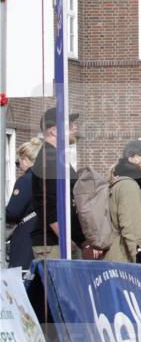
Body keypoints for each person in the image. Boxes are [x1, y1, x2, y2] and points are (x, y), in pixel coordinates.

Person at [31, 108, 87, 259]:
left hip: (63, 241)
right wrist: (66, 239)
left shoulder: (56, 157)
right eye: (69, 125)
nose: (75, 127)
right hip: (55, 244)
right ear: (54, 131)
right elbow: (48, 203)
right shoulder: (50, 160)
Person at [107, 139, 141, 263]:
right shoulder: (129, 185)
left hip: (127, 257)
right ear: (131, 158)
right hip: (127, 259)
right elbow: (131, 227)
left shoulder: (137, 184)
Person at [6, 137, 41, 269]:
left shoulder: (26, 181)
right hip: (41, 237)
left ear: (25, 159)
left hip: (26, 237)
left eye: (18, 163)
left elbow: (12, 213)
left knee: (20, 281)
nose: (19, 167)